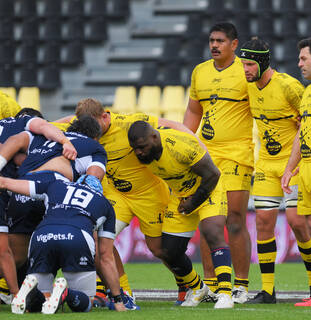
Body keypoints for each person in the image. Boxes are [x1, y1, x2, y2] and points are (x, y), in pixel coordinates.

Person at [57, 98, 208, 307]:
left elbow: (173, 126)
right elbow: (50, 125)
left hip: (149, 194)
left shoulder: (129, 123)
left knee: (159, 249)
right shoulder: (83, 126)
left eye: (95, 125)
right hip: (116, 194)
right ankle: (122, 292)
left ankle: (189, 283)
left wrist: (198, 143)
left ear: (105, 115)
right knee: (100, 239)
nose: (91, 131)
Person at [240, 37, 311, 304]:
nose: (246, 69)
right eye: (243, 64)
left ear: (262, 63)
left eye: (250, 64)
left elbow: (305, 124)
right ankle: (268, 290)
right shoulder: (248, 86)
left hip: (295, 163)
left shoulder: (289, 86)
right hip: (266, 164)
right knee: (262, 223)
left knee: (298, 223)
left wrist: (293, 164)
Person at [128, 120, 234, 309]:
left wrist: (194, 201)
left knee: (211, 231)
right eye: (135, 148)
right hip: (181, 197)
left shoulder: (180, 145)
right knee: (168, 251)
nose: (138, 152)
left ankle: (225, 293)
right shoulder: (143, 153)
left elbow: (213, 174)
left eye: (142, 147)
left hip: (208, 189)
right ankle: (198, 288)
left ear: (154, 137)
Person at [183, 22, 253, 303]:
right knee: (208, 221)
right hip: (207, 156)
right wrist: (186, 146)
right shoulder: (200, 72)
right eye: (212, 40)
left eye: (220, 41)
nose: (214, 45)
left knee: (234, 219)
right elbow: (193, 110)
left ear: (234, 44)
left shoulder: (246, 72)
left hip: (237, 154)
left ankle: (241, 286)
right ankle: (211, 286)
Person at [0, 115, 106, 287]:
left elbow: (15, 140)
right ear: (95, 137)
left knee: (14, 255)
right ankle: (101, 291)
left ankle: (20, 290)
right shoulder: (95, 148)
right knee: (87, 238)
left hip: (23, 189)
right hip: (54, 189)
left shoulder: (46, 137)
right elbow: (92, 182)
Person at [0, 174, 126, 314]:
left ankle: (31, 293)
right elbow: (106, 256)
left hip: (42, 234)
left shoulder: (56, 185)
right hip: (77, 236)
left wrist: (4, 181)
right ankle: (66, 293)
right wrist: (118, 299)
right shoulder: (105, 204)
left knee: (43, 299)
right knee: (86, 302)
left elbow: (8, 183)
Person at [0, 108, 78, 304]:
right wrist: (65, 142)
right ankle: (18, 295)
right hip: (6, 191)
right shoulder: (28, 126)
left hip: (11, 195)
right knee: (7, 252)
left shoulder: (8, 127)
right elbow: (44, 126)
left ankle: (17, 292)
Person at [281, 35, 311, 307]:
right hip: (306, 168)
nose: (299, 64)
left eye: (304, 58)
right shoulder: (308, 92)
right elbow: (300, 134)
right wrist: (289, 168)